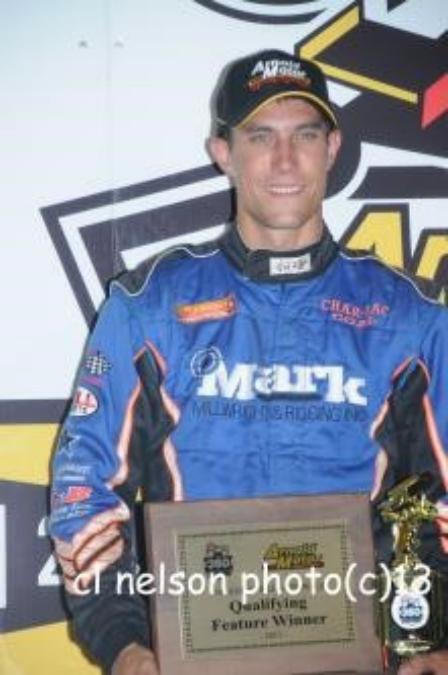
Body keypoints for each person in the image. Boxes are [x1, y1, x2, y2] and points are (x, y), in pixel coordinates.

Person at [50, 49, 448, 674]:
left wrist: (429, 637)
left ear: (333, 147)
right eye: (261, 136)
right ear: (223, 153)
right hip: (191, 656)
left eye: (304, 134)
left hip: (362, 655)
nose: (284, 160)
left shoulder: (409, 317)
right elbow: (87, 490)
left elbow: (433, 496)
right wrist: (124, 644)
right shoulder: (147, 308)